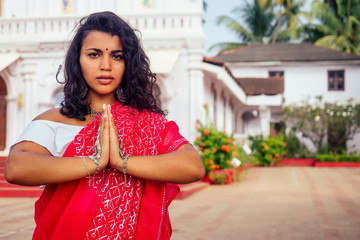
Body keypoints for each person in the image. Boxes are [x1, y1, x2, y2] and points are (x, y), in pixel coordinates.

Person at [5, 11, 205, 240]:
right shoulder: (54, 120)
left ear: (128, 63)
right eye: (94, 54)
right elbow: (16, 168)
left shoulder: (147, 123)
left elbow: (193, 166)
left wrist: (121, 162)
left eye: (117, 56)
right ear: (77, 60)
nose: (106, 65)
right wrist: (94, 162)